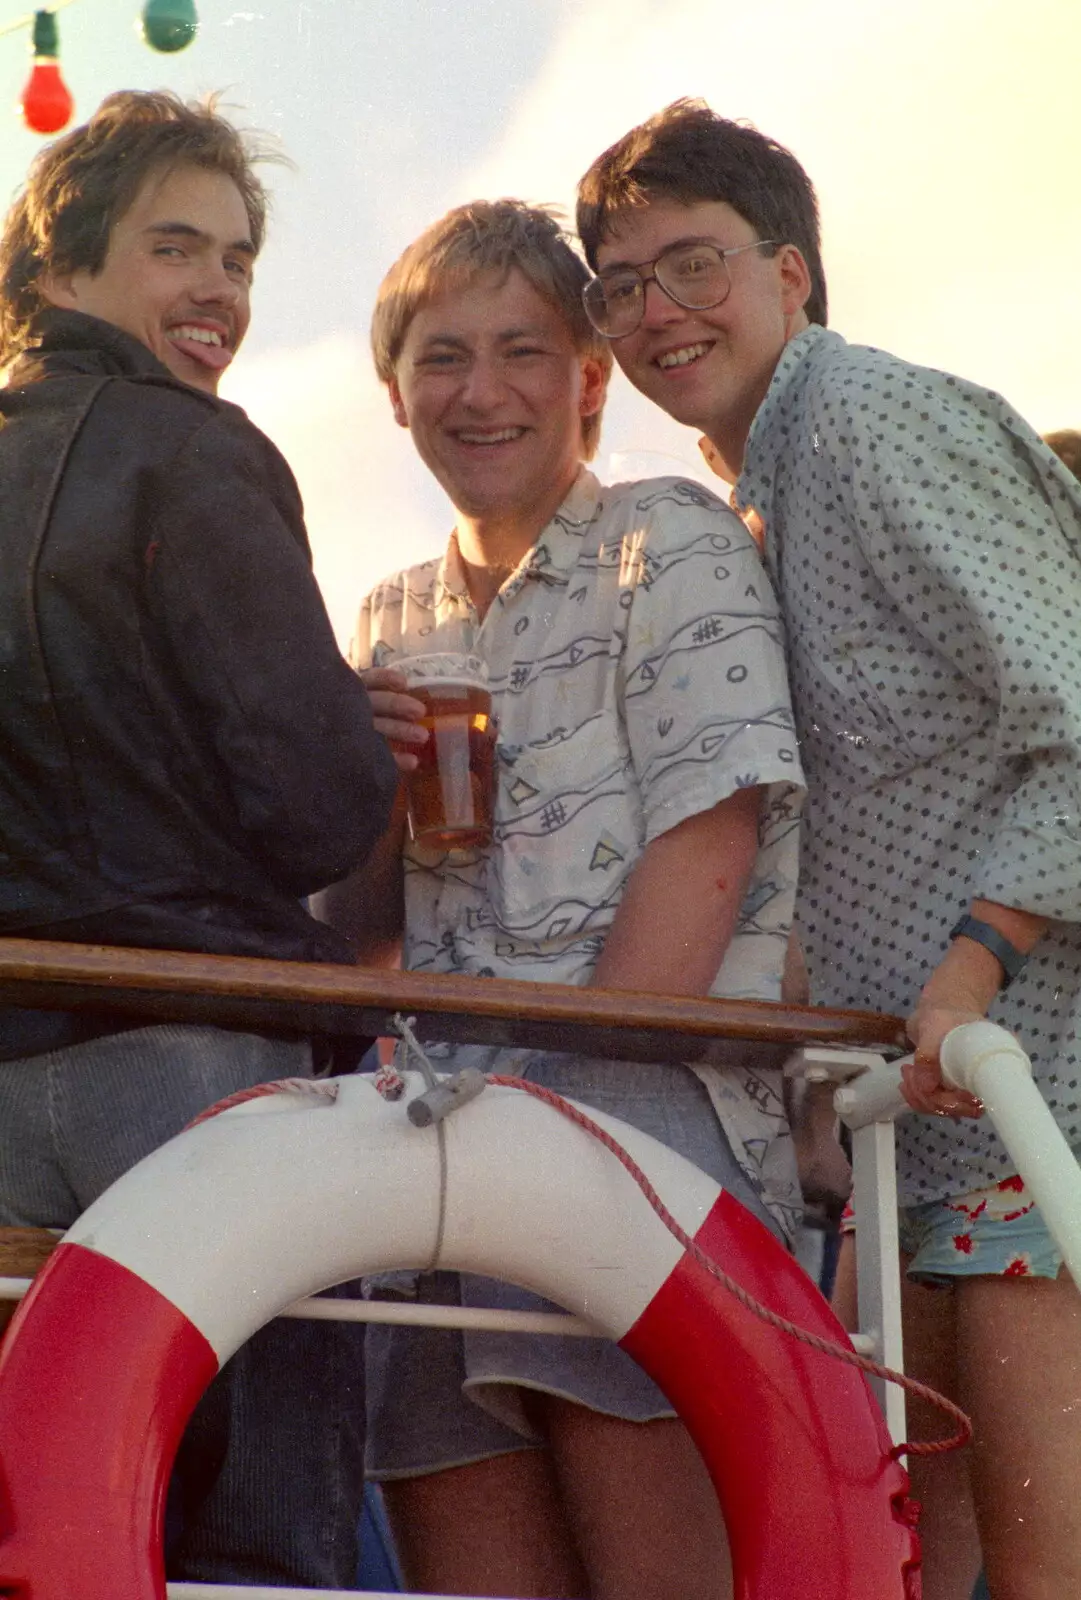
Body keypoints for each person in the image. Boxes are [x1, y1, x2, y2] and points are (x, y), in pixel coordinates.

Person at [575, 100, 1081, 1600]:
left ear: (794, 273)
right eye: (622, 282)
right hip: (918, 1121)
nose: (659, 312)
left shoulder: (865, 417)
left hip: (1028, 1089)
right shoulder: (761, 485)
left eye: (695, 264)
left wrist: (973, 969)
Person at [320, 198, 805, 1600]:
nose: (481, 392)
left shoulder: (675, 540)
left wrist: (550, 1122)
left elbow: (708, 844)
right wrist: (355, 780)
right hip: (429, 1144)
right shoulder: (388, 617)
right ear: (396, 393)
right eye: (441, 356)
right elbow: (365, 940)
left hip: (628, 1119)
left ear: (591, 379)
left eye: (522, 350)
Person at [0, 90, 398, 1587]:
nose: (221, 294)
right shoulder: (194, 454)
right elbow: (312, 795)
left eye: (236, 260)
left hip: (4, 1076)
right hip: (193, 1074)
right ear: (59, 266)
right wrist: (367, 743)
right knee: (251, 1551)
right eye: (178, 250)